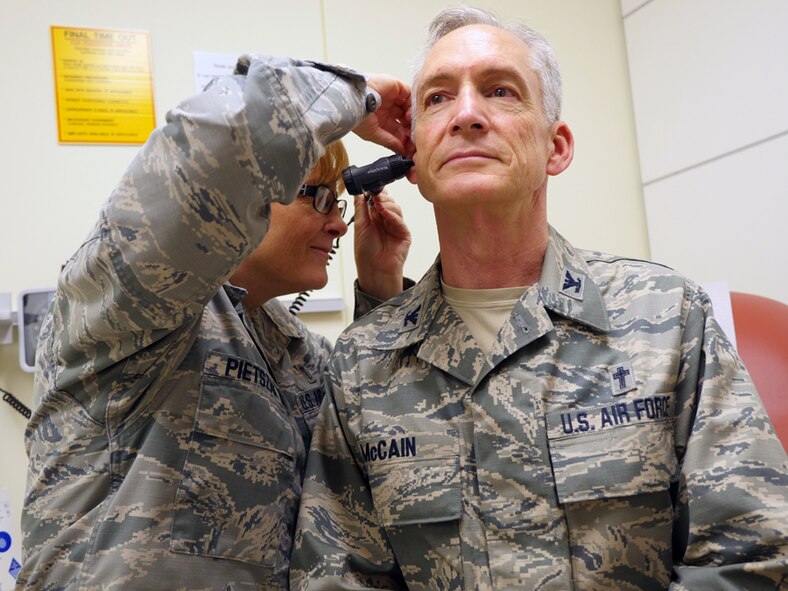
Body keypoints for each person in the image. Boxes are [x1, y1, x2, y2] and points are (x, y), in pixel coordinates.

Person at [291, 7, 788, 590]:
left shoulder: (668, 316)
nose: (468, 115)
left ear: (556, 147)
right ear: (414, 163)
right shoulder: (361, 364)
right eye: (438, 99)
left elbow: (753, 559)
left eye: (500, 91)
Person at [18, 53, 412, 590]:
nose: (339, 223)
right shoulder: (137, 306)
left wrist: (380, 290)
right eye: (319, 197)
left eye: (340, 202)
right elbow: (219, 148)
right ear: (255, 195)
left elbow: (380, 452)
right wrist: (354, 96)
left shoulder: (297, 354)